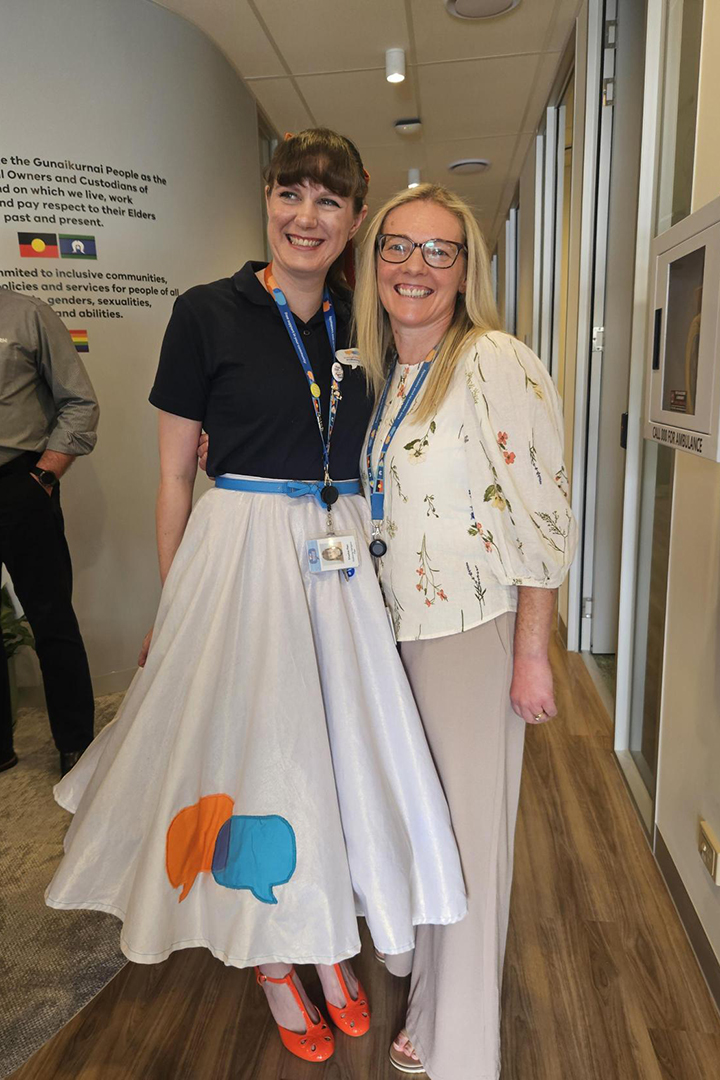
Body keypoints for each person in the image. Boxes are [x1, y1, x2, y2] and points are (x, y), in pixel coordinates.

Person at [45, 132, 466, 1065]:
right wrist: (180, 602)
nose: (305, 216)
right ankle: (278, 959)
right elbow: (171, 481)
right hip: (236, 555)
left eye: (328, 200)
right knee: (258, 752)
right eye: (290, 193)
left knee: (333, 753)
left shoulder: (369, 319)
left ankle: (322, 937)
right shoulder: (207, 312)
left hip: (340, 558)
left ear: (356, 219)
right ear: (266, 201)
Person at [353, 183, 577, 1079]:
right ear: (372, 264)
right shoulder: (380, 376)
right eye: (398, 247)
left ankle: (458, 1044)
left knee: (467, 838)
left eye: (439, 251)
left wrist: (531, 655)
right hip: (392, 634)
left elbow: (544, 521)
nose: (415, 267)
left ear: (465, 270)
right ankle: (427, 988)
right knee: (419, 824)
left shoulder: (493, 360)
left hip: (470, 633)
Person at [0, 290, 98, 777]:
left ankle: (76, 743)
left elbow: (80, 403)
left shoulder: (27, 314)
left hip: (19, 484)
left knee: (50, 617)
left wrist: (42, 478)